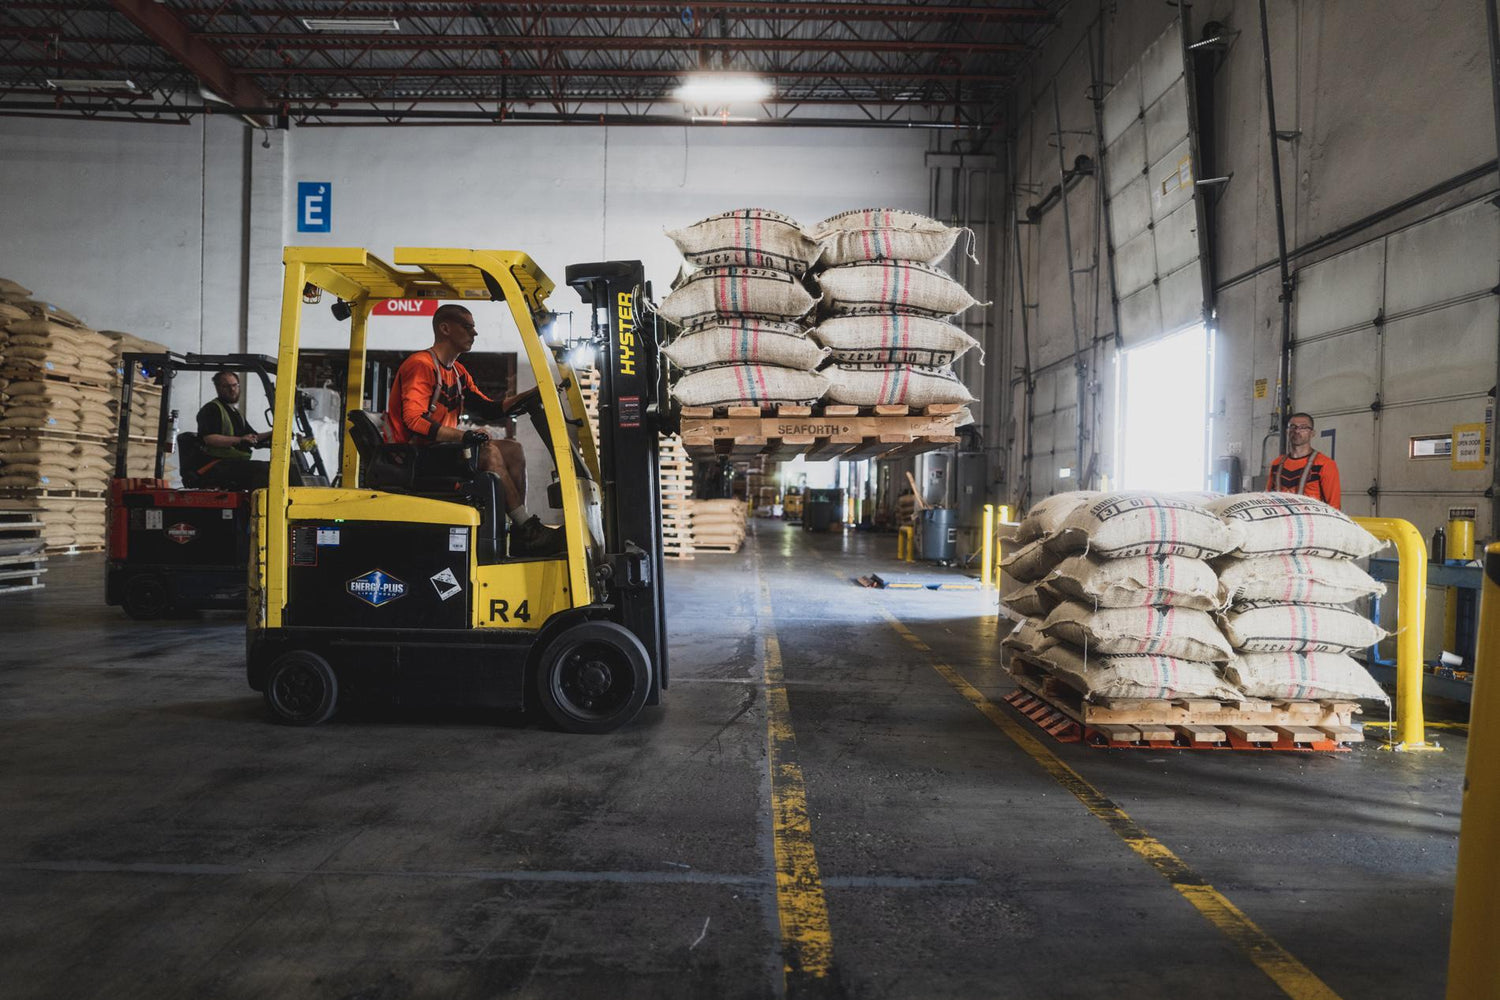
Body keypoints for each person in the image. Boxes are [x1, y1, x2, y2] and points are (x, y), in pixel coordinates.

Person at [387, 303, 562, 556]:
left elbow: (489, 409)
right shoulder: (421, 365)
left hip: (439, 451)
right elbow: (414, 420)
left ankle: (521, 530)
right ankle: (528, 530)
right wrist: (465, 436)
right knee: (488, 452)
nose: (474, 333)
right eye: (467, 327)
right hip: (414, 457)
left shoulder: (458, 373)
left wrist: (534, 393)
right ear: (445, 328)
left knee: (513, 449)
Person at [195, 370, 271, 490]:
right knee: (261, 469)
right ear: (218, 388)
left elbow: (253, 437)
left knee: (276, 468)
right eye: (226, 386)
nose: (232, 389)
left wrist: (273, 433)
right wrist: (240, 440)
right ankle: (259, 502)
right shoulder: (211, 409)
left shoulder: (236, 413)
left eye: (235, 385)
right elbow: (209, 438)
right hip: (215, 465)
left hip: (232, 463)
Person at [1266, 411, 1341, 508]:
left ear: (1312, 433)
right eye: (1293, 427)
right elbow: (1267, 499)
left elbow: (1334, 506)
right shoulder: (1277, 464)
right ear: (1287, 431)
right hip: (1282, 517)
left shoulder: (1324, 464)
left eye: (1303, 427)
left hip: (1311, 517)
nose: (1297, 431)